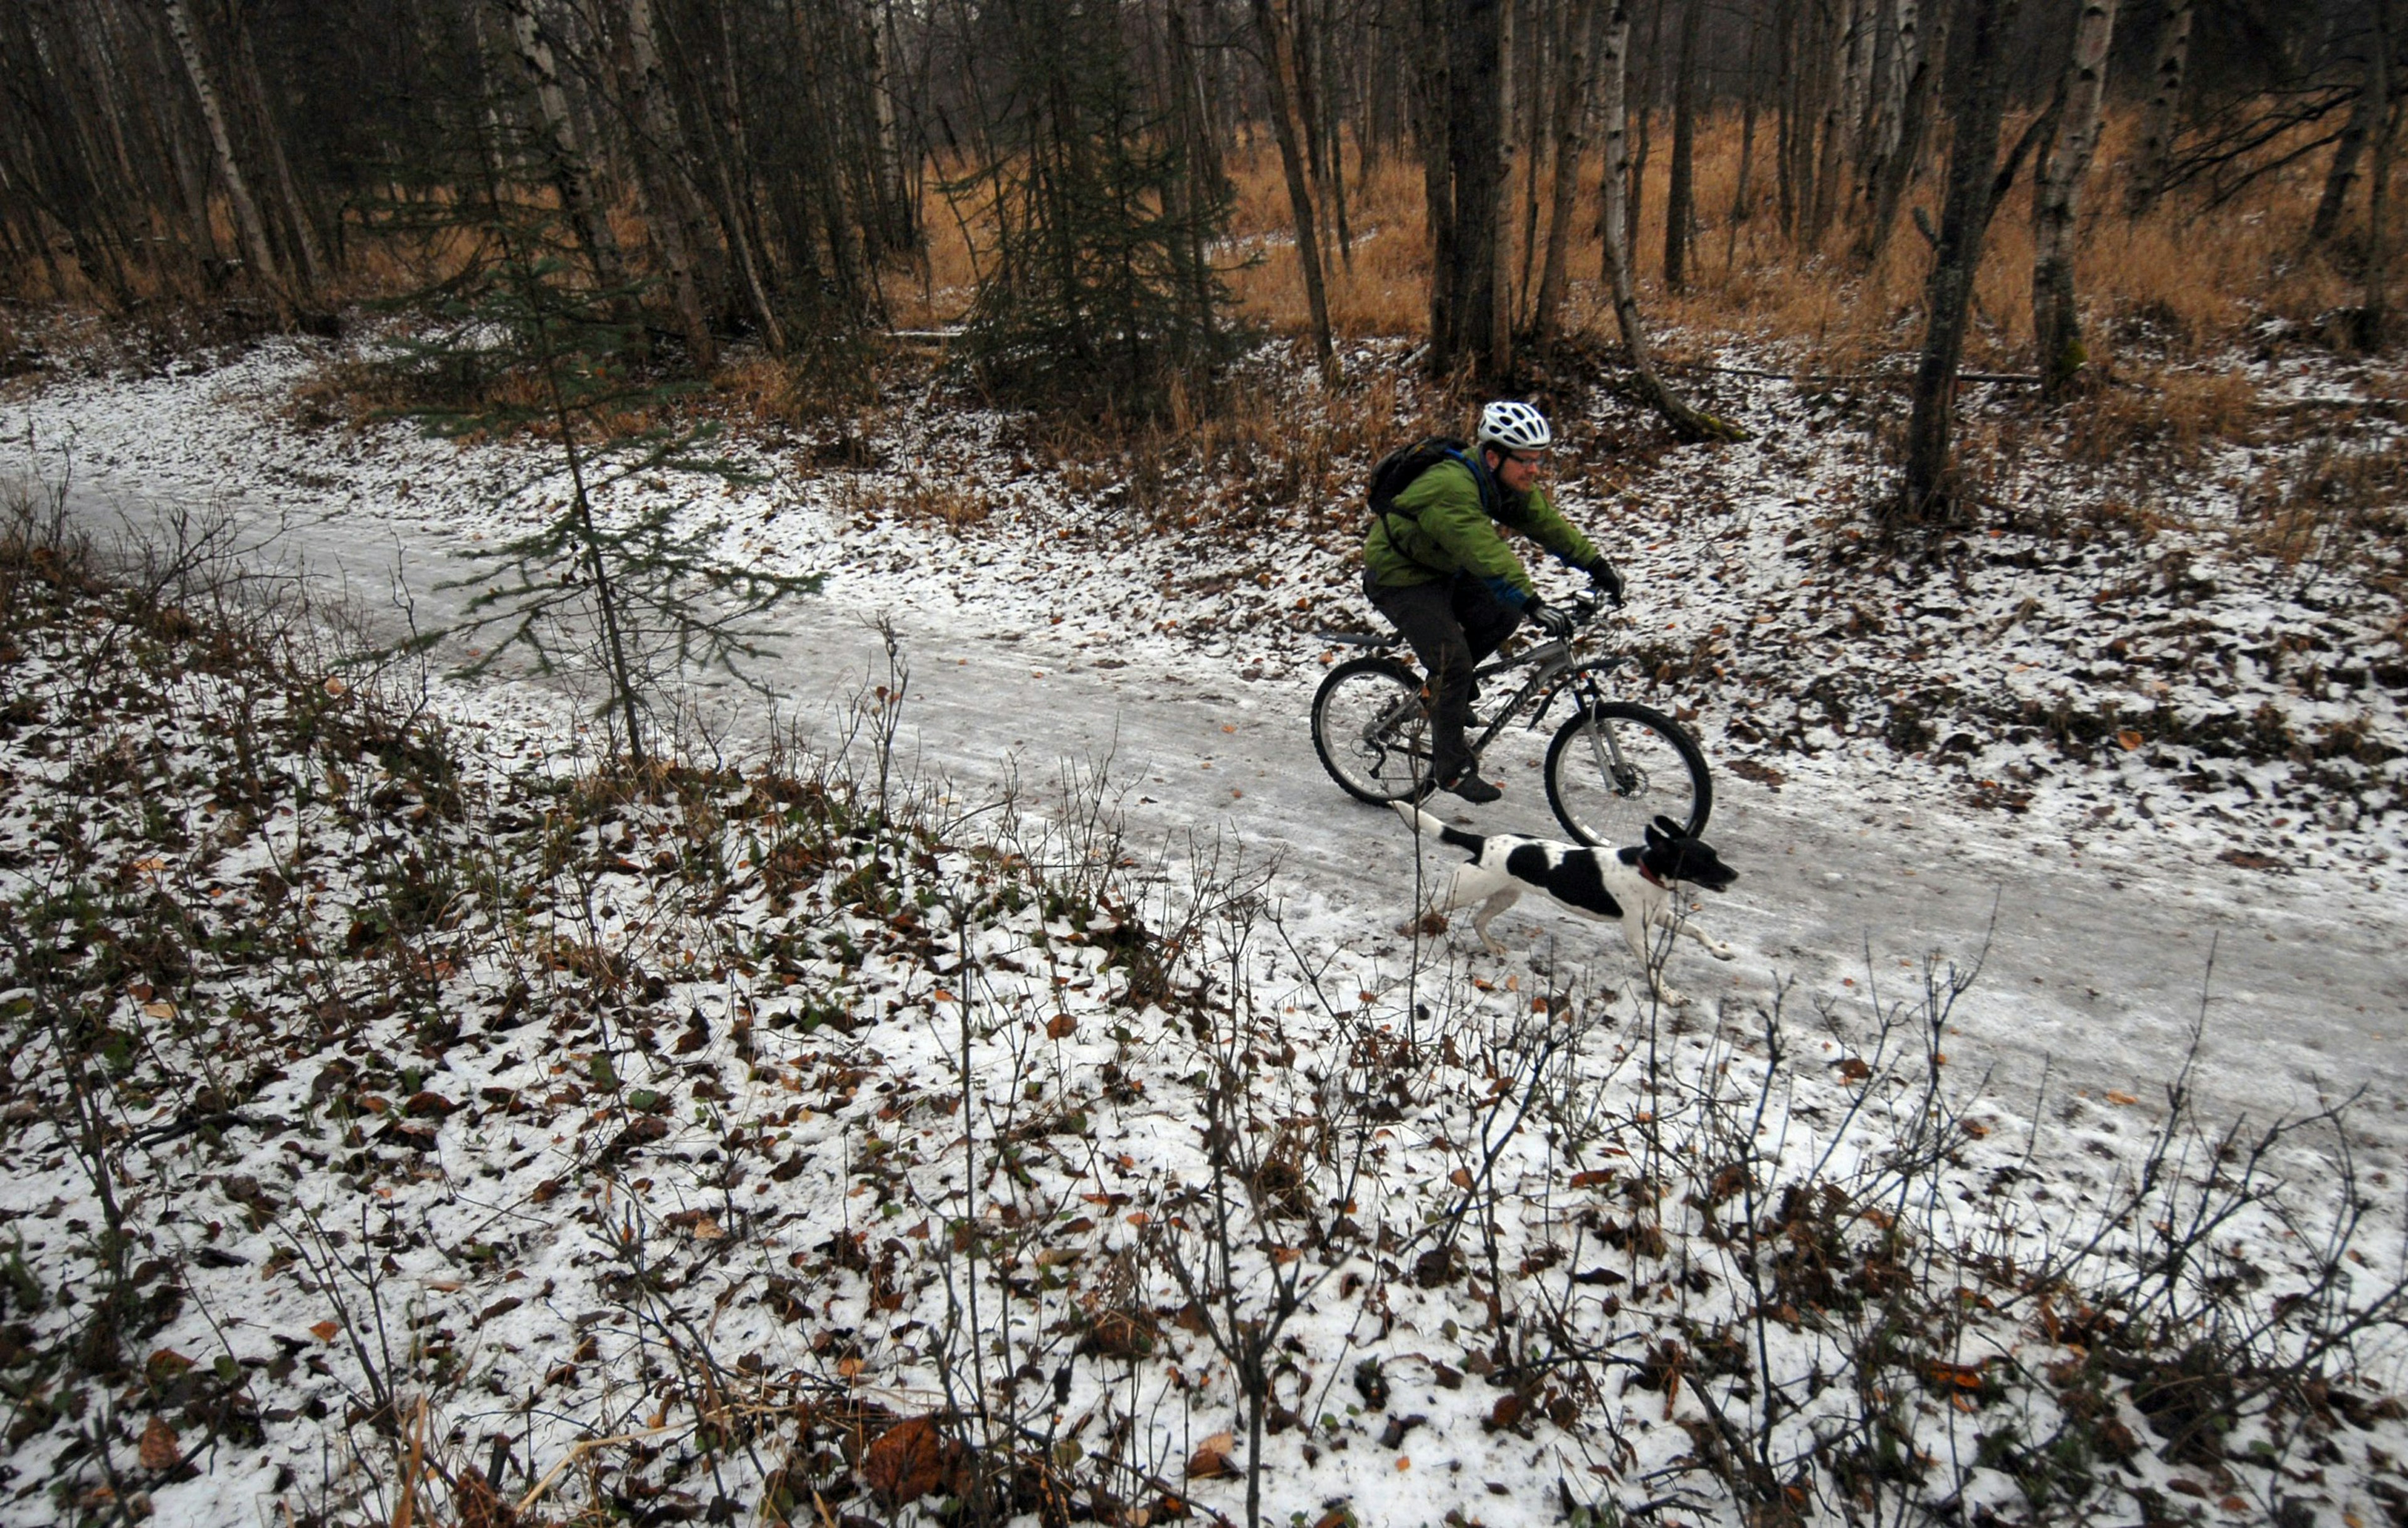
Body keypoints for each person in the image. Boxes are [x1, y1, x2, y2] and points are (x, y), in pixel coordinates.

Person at [1362, 400, 1624, 805]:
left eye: (1539, 460)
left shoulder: (1503, 482)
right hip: (1400, 576)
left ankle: (1447, 696)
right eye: (1526, 461)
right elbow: (1483, 549)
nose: (1534, 469)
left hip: (1442, 564)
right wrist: (1533, 600)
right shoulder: (1452, 486)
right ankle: (1450, 769)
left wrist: (1597, 567)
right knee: (1453, 664)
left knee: (1503, 613)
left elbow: (1547, 525)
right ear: (1492, 455)